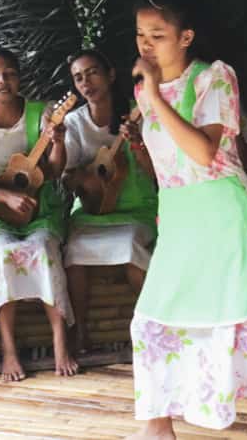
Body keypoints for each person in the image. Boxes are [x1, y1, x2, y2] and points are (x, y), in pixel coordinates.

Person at [127, 0, 247, 439]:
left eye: (157, 35)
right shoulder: (145, 91)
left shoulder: (214, 77)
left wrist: (157, 97)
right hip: (180, 216)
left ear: (186, 37)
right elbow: (164, 167)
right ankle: (158, 426)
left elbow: (203, 151)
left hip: (223, 212)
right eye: (141, 35)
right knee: (152, 320)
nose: (146, 44)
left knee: (246, 319)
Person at [62, 49, 158, 354]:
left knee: (130, 245)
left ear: (110, 75)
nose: (86, 82)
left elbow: (157, 171)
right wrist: (84, 179)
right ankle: (79, 331)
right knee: (74, 252)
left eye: (92, 72)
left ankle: (152, 327)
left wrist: (138, 145)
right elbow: (65, 176)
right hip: (92, 211)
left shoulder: (136, 113)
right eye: (78, 77)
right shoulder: (74, 122)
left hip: (136, 206)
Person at [0, 48, 76, 382]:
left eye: (9, 73)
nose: (2, 81)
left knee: (45, 251)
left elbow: (53, 171)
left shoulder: (43, 113)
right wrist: (4, 196)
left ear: (19, 77)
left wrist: (58, 143)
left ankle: (60, 341)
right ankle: (9, 349)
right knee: (2, 255)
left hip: (40, 211)